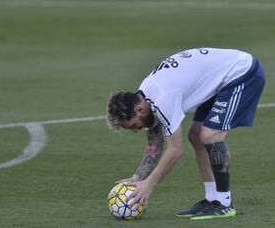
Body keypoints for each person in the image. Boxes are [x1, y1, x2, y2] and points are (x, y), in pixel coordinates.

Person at [106, 48, 265, 220]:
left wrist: (149, 184)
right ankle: (213, 199)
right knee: (196, 135)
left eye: (132, 126)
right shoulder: (145, 96)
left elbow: (175, 150)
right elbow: (154, 144)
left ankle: (225, 203)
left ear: (139, 109)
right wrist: (138, 177)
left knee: (210, 135)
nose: (136, 130)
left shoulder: (162, 97)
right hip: (220, 79)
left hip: (242, 72)